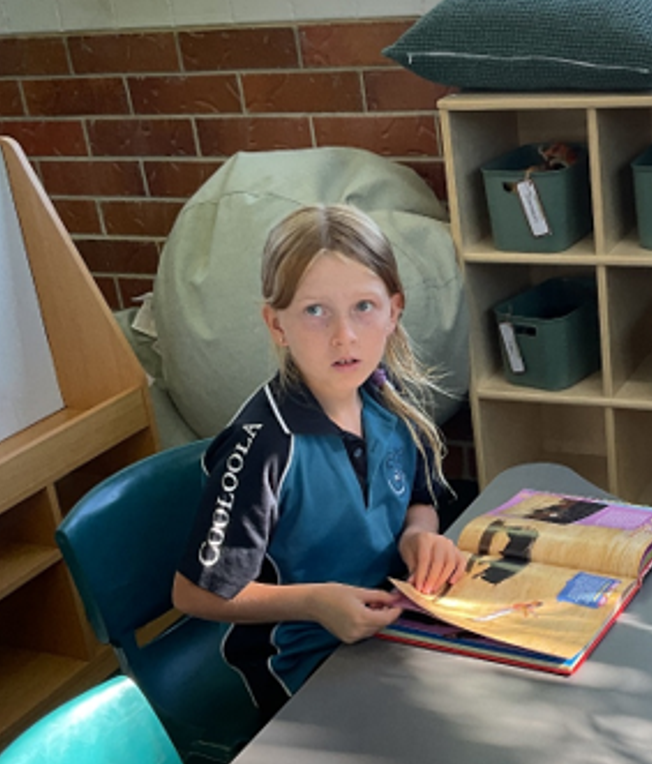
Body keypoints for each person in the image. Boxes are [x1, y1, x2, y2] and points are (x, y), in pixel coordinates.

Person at [172, 203, 466, 721]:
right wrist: (313, 602)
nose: (343, 335)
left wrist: (419, 537)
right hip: (301, 672)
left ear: (394, 311)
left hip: (391, 634)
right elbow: (195, 593)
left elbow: (420, 502)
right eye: (315, 311)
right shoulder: (262, 444)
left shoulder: (388, 399)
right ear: (276, 324)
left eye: (363, 306)